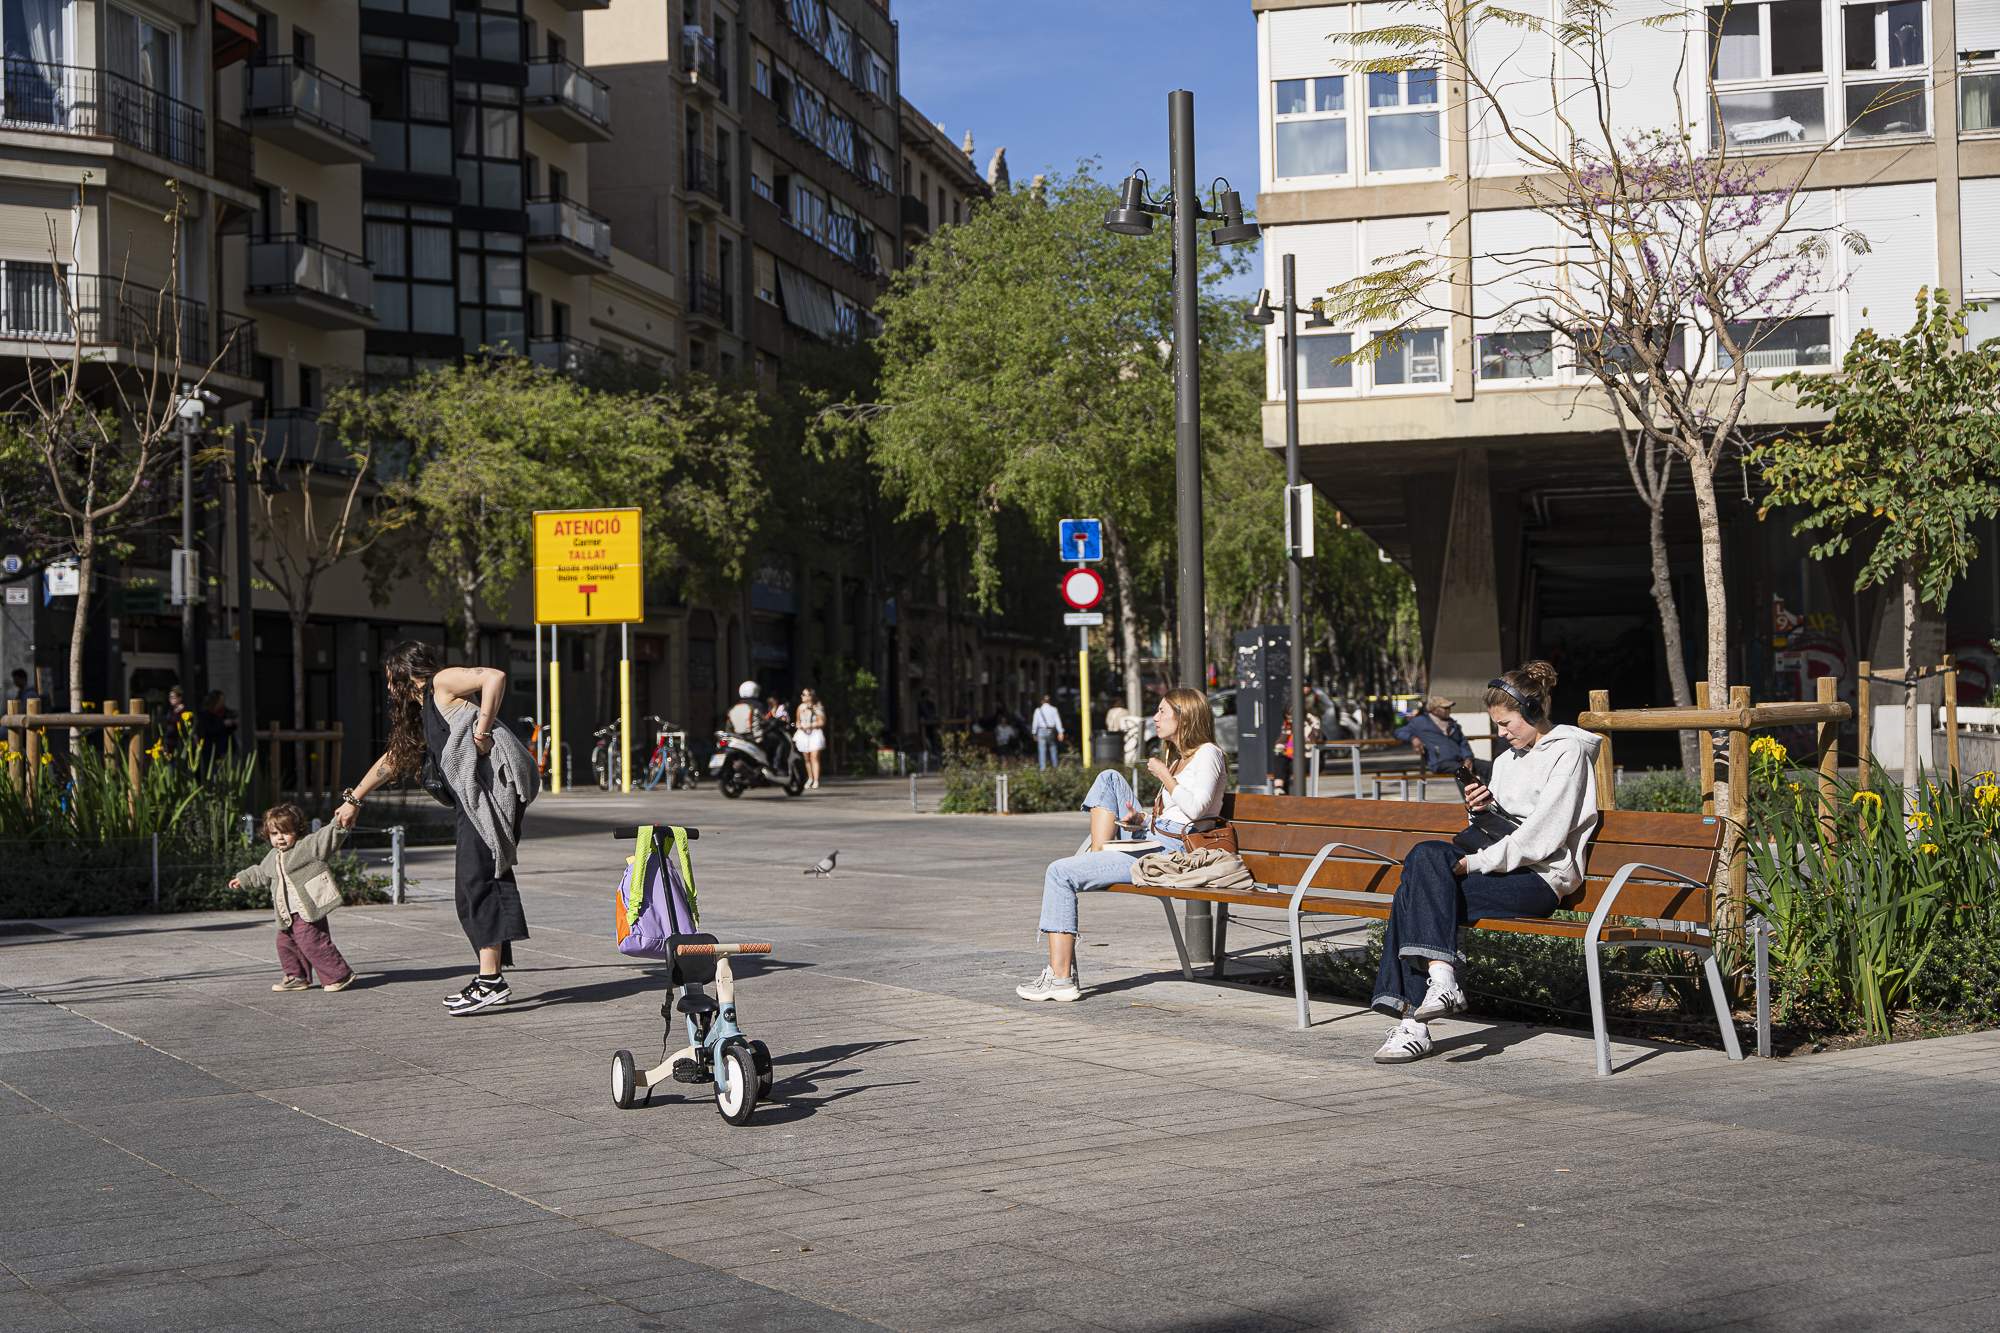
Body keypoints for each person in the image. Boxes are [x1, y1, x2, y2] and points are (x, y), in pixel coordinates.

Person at [1370, 661, 1602, 1064]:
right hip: (1499, 863)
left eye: (1508, 723)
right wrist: (1480, 811)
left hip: (1538, 880)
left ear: (1533, 711)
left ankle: (1414, 1024)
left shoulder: (1569, 752)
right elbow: (1501, 827)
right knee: (1425, 854)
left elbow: (1542, 838)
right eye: (1497, 725)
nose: (1502, 733)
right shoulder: (1510, 758)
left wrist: (1473, 865)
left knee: (1413, 892)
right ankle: (1442, 980)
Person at [336, 641, 538, 1016]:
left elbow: (494, 677)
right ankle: (489, 977)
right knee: (472, 884)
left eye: (389, 678)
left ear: (402, 673)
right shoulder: (424, 710)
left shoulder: (441, 683)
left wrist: (481, 731)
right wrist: (355, 799)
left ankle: (491, 981)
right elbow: (394, 759)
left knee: (478, 880)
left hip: (492, 794)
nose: (389, 688)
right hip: (473, 799)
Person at [1017, 688, 1228, 1003]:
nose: (1154, 718)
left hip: (1174, 852)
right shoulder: (1180, 759)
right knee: (1109, 778)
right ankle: (1102, 856)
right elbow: (1175, 813)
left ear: (1184, 717)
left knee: (1060, 873)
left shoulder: (1208, 753)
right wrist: (1140, 820)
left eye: (1161, 712)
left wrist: (1164, 776)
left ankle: (1060, 979)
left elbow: (1197, 810)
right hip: (1156, 837)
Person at [229, 803, 356, 993]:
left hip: (308, 909)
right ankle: (296, 976)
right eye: (274, 833)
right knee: (285, 943)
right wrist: (243, 878)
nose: (280, 838)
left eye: (286, 832)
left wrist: (338, 824)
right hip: (286, 912)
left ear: (297, 831)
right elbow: (262, 872)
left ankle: (339, 975)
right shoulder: (273, 856)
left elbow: (325, 838)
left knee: (313, 942)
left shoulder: (306, 847)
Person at [1394, 694, 1486, 779]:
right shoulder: (1420, 722)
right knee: (1463, 771)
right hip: (1440, 762)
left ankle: (1491, 793)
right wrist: (1413, 738)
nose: (1448, 710)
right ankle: (1470, 796)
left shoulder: (1452, 723)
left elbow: (1463, 742)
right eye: (1445, 708)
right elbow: (1398, 732)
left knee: (1489, 767)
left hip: (1459, 760)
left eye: (1449, 707)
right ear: (1434, 709)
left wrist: (1468, 758)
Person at [192, 690, 236, 775]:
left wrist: (231, 723)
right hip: (211, 750)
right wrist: (223, 724)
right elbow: (208, 729)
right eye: (221, 700)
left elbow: (232, 725)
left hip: (225, 748)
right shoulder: (205, 715)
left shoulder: (224, 712)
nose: (222, 703)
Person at [796, 687, 827, 789]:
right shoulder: (800, 707)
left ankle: (816, 779)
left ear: (810, 696)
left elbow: (822, 722)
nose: (802, 696)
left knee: (814, 757)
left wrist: (810, 725)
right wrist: (800, 726)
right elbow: (797, 721)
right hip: (803, 734)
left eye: (804, 695)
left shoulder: (817, 707)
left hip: (815, 732)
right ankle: (810, 777)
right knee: (807, 758)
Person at [1030, 693, 1064, 770]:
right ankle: (1055, 767)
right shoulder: (1054, 709)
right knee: (1053, 748)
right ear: (1049, 701)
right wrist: (1060, 732)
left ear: (1042, 701)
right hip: (1051, 731)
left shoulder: (1038, 710)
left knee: (1042, 749)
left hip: (1041, 731)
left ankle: (1043, 768)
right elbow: (1058, 721)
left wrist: (1034, 733)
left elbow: (1035, 723)